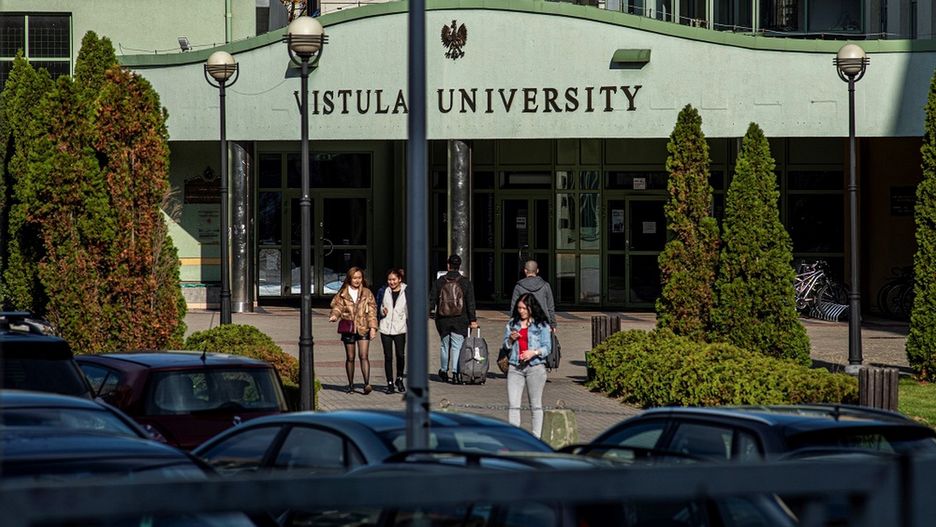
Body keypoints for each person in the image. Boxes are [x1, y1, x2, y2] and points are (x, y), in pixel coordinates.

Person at [503, 293, 552, 439]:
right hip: (515, 367)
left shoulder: (541, 325)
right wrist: (510, 340)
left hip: (535, 367)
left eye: (524, 308)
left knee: (535, 404)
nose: (521, 311)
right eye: (519, 308)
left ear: (531, 308)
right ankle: (514, 438)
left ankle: (536, 438)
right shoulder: (512, 324)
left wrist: (533, 352)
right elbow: (505, 345)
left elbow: (547, 348)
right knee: (513, 404)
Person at [328, 267, 378, 395]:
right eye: (354, 278)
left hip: (363, 327)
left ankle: (366, 384)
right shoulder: (343, 293)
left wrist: (373, 328)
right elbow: (337, 306)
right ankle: (350, 385)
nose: (357, 280)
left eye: (359, 278)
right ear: (349, 278)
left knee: (364, 355)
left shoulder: (367, 293)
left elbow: (372, 311)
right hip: (348, 327)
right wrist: (334, 316)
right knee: (350, 357)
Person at [429, 254, 477, 384]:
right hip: (460, 319)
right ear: (459, 265)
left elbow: (432, 299)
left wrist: (427, 312)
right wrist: (473, 320)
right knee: (457, 346)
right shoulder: (465, 282)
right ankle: (456, 373)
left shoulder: (440, 282)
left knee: (444, 346)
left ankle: (444, 370)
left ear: (448, 265)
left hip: (443, 319)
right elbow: (470, 303)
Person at [376, 268, 407, 394]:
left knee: (400, 355)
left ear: (399, 279)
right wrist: (382, 311)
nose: (392, 282)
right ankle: (389, 383)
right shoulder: (383, 291)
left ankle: (399, 378)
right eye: (389, 280)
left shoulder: (407, 291)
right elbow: (378, 306)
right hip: (385, 328)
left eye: (394, 279)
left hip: (400, 328)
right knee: (388, 356)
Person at [509, 259, 557, 331]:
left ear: (525, 271)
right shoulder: (545, 285)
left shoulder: (518, 287)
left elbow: (514, 308)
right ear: (537, 270)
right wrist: (553, 324)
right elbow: (550, 307)